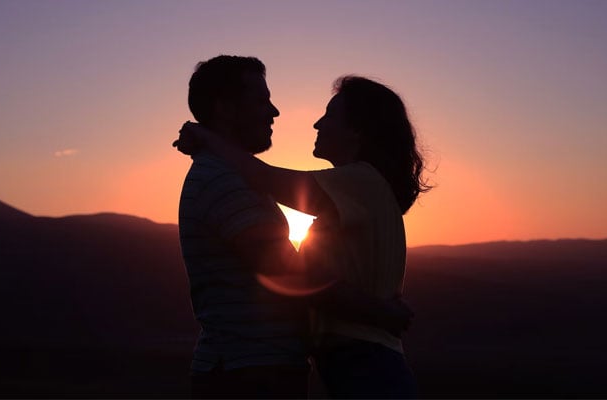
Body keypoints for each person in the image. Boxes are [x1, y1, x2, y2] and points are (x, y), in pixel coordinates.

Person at [176, 75, 430, 398]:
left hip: (365, 361)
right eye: (262, 100)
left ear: (357, 131)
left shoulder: (361, 182)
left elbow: (266, 177)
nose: (316, 124)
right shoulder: (357, 192)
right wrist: (378, 310)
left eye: (329, 115)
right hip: (351, 361)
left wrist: (206, 138)